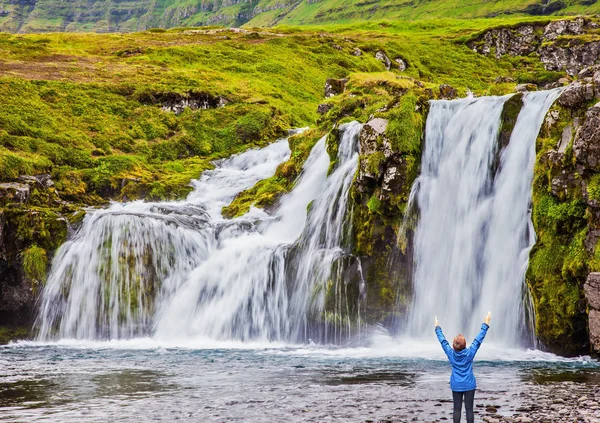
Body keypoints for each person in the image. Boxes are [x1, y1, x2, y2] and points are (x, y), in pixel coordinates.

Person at [435, 312, 491, 423]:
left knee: (457, 409)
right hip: (469, 384)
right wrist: (486, 323)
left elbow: (443, 341)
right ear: (465, 345)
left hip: (456, 384)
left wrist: (437, 327)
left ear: (453, 346)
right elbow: (478, 340)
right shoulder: (470, 352)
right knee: (469, 410)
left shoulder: (451, 353)